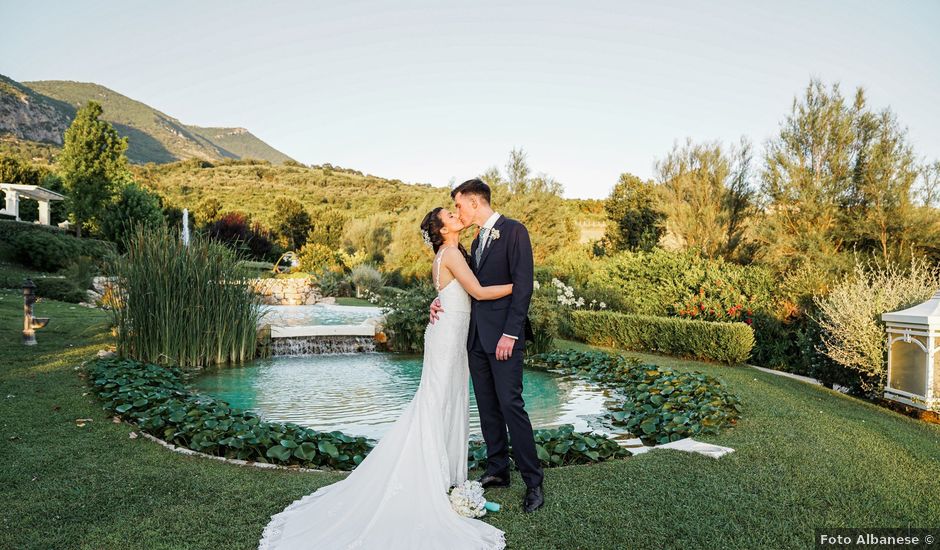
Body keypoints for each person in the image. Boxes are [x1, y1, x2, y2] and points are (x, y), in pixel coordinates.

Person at [258, 205, 508, 550]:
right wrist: (518, 287)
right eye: (450, 216)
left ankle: (445, 478)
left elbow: (452, 295)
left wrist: (438, 303)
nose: (456, 217)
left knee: (441, 401)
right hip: (449, 337)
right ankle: (433, 479)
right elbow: (478, 293)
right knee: (438, 403)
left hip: (448, 334)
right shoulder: (451, 253)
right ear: (442, 230)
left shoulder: (447, 253)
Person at [430, 178, 544, 513]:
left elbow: (523, 287)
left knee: (511, 405)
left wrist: (511, 333)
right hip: (476, 337)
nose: (457, 212)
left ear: (474, 202)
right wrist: (438, 302)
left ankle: (533, 482)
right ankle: (497, 470)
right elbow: (463, 286)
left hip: (504, 337)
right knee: (487, 407)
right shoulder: (477, 238)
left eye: (458, 205)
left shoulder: (514, 231)